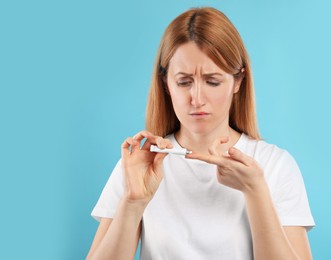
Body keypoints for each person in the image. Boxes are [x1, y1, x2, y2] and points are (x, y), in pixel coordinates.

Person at [87, 7, 315, 260]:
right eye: (184, 82)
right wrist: (132, 203)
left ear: (238, 81)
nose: (197, 99)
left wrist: (255, 190)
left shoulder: (274, 165)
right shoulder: (140, 166)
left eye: (212, 81)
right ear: (166, 84)